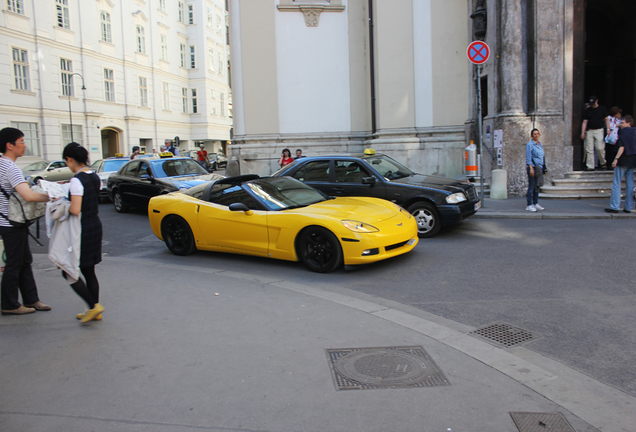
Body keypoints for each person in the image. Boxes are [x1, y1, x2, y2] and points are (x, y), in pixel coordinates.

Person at [0, 127, 51, 315]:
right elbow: (28, 195)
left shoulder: (1, 164)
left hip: (6, 221)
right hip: (11, 222)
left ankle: (32, 300)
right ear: (9, 145)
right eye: (21, 141)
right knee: (15, 263)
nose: (24, 145)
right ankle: (9, 304)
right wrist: (52, 196)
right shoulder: (10, 168)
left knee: (24, 260)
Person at [62, 142, 104, 323]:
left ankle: (94, 307)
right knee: (89, 270)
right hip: (95, 224)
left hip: (81, 229)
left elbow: (75, 209)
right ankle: (93, 310)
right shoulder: (94, 177)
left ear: (70, 159)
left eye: (66, 162)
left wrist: (61, 202)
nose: (67, 166)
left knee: (67, 270)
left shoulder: (76, 180)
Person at [605, 115, 636, 214]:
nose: (620, 124)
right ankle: (628, 207)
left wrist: (615, 159)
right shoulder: (634, 132)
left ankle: (615, 207)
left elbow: (621, 147)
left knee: (616, 184)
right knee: (630, 184)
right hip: (633, 160)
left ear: (628, 123)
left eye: (622, 123)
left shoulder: (623, 134)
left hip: (623, 160)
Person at [581, 96, 610, 171]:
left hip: (599, 130)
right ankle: (590, 166)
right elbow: (585, 122)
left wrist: (608, 129)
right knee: (589, 149)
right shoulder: (587, 111)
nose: (592, 105)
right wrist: (583, 132)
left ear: (597, 101)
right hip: (589, 131)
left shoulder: (602, 109)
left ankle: (603, 163)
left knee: (600, 148)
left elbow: (606, 119)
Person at [525, 128, 546, 212]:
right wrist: (531, 168)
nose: (536, 135)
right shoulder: (530, 145)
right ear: (531, 135)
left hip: (539, 168)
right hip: (533, 168)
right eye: (534, 134)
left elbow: (542, 157)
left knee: (537, 186)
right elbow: (528, 158)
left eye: (537, 133)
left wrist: (544, 168)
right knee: (531, 186)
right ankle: (529, 204)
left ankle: (535, 202)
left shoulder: (539, 144)